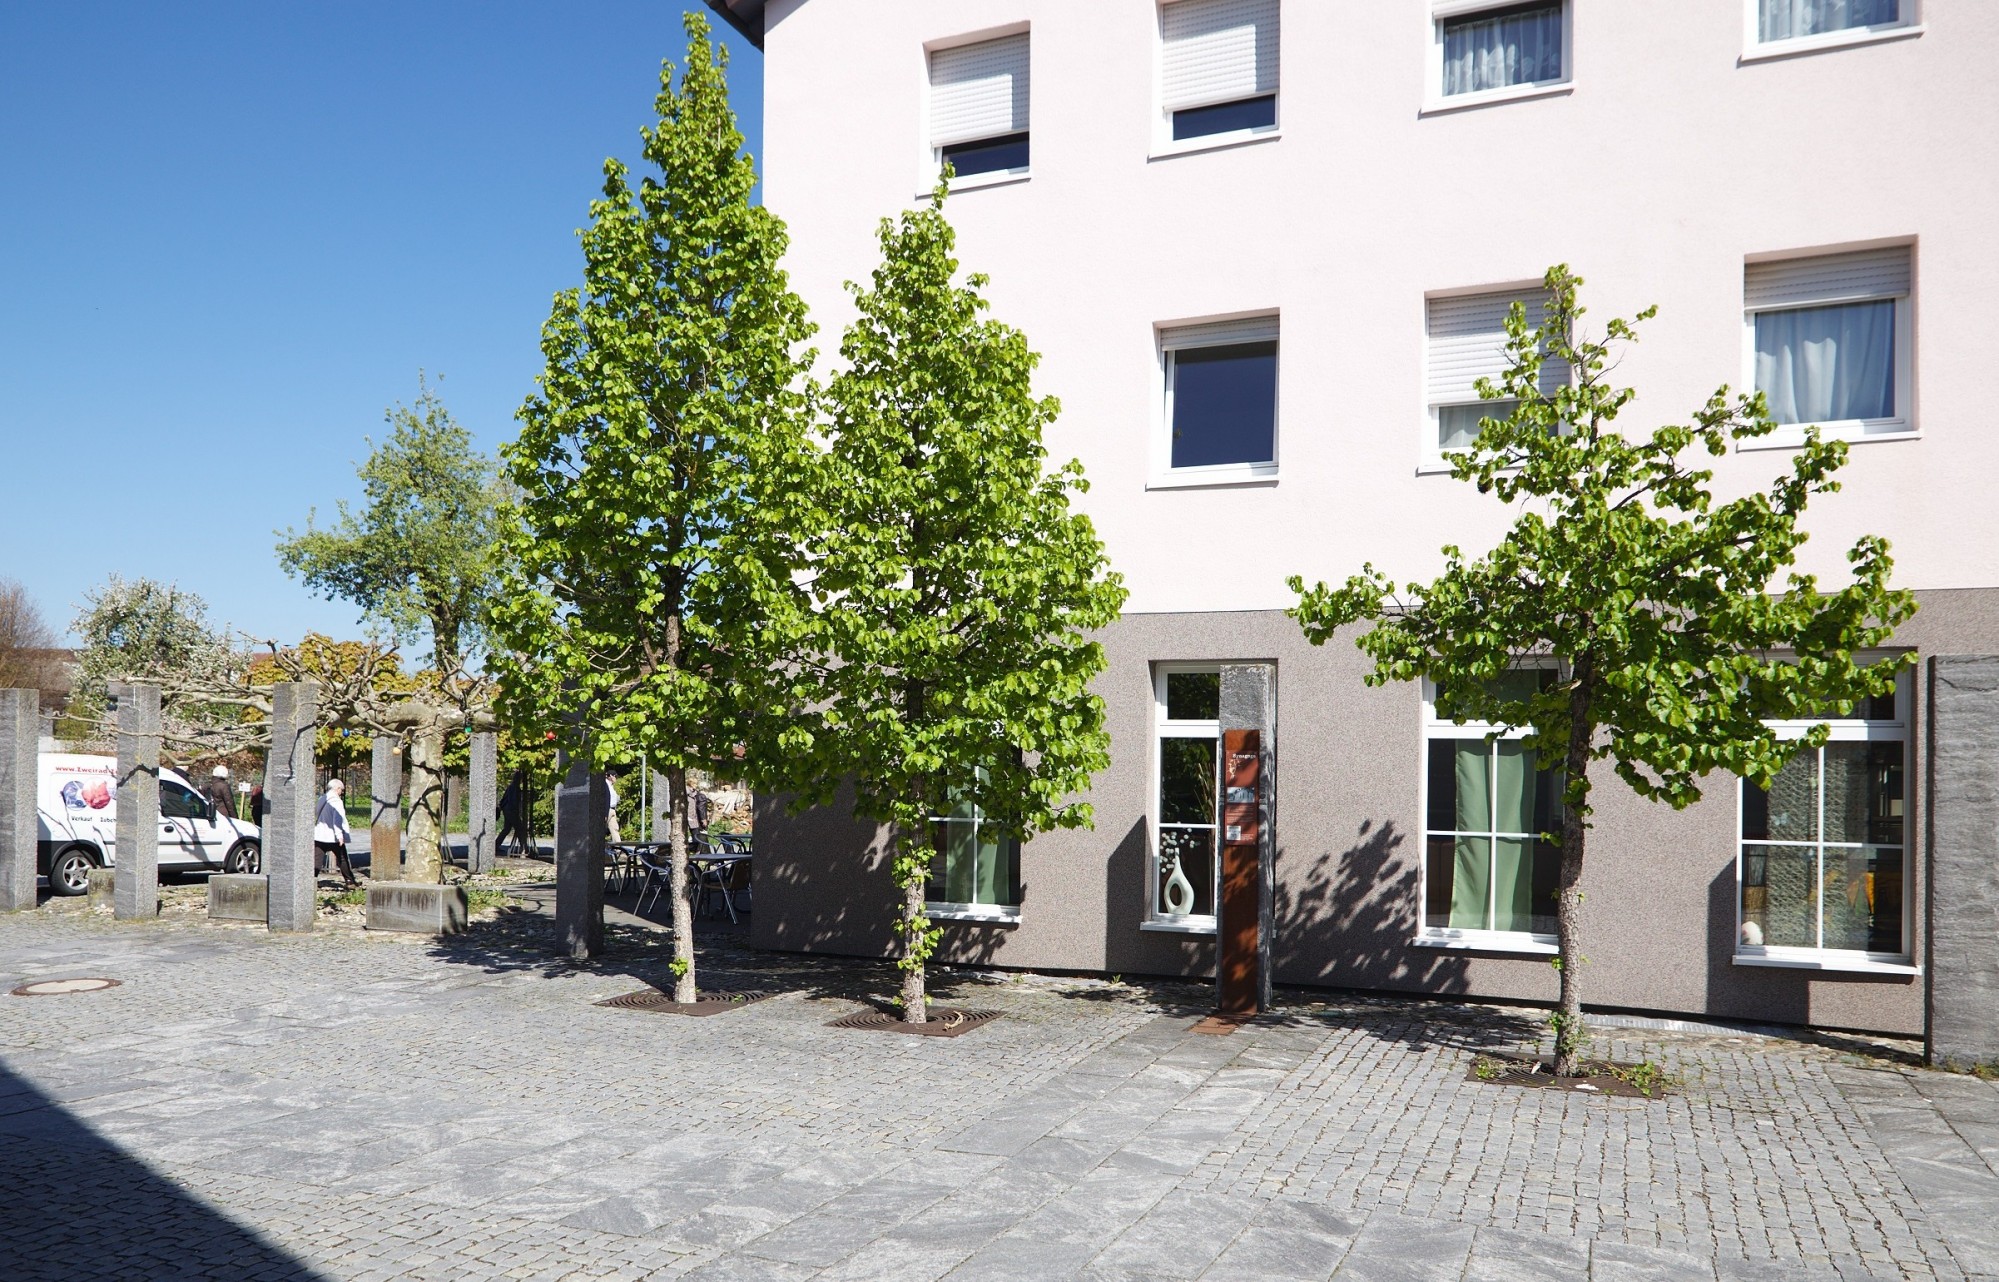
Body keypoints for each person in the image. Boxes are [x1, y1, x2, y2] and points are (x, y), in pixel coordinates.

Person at [314, 779, 357, 887]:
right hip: (332, 836)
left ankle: (312, 880)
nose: (341, 792)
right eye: (341, 790)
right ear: (337, 788)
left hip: (319, 834)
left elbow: (316, 812)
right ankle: (349, 880)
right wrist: (340, 836)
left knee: (317, 859)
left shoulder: (322, 798)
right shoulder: (337, 802)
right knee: (342, 858)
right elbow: (337, 819)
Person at [497, 769, 529, 857]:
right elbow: (513, 801)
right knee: (519, 828)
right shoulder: (514, 788)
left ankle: (496, 845)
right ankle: (523, 847)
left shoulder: (511, 786)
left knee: (507, 829)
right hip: (511, 811)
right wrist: (516, 811)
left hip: (507, 810)